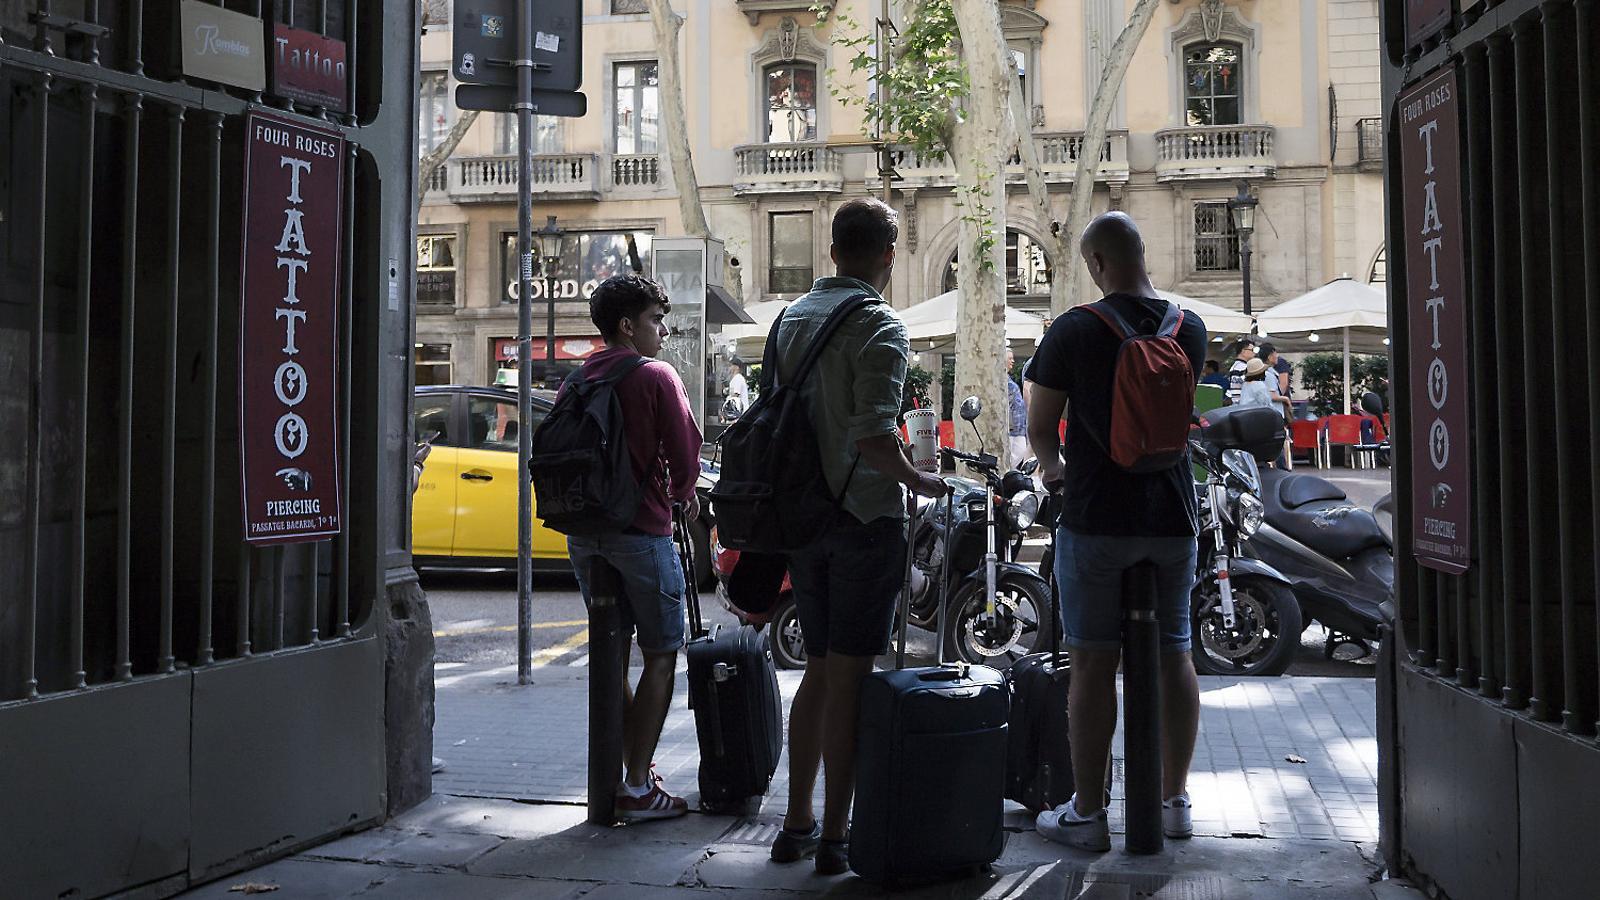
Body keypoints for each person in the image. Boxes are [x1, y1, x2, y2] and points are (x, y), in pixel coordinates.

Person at [767, 198, 948, 875]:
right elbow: (873, 438)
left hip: (802, 517)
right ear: (888, 256)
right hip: (864, 520)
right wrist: (922, 482)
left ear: (834, 249)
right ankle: (836, 838)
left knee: (817, 669)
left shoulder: (791, 318)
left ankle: (796, 823)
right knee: (849, 674)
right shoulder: (879, 325)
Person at [1024, 211, 1207, 853]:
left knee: (1093, 661)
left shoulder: (1076, 329)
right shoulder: (1192, 327)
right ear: (1142, 253)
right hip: (1173, 517)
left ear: (1097, 263)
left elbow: (1042, 429)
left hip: (1097, 515)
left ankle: (1089, 811)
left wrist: (1052, 470)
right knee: (1175, 649)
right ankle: (1174, 801)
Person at [562, 274, 704, 823]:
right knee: (663, 652)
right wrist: (685, 496)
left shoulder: (580, 377)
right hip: (642, 531)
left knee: (610, 649)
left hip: (583, 532)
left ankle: (629, 774)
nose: (662, 332)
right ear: (627, 326)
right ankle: (638, 784)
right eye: (654, 321)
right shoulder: (654, 376)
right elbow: (686, 451)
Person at [1006, 349, 1028, 466]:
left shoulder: (1008, 379)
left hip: (1018, 426)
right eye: (1010, 358)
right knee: (1016, 452)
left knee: (1020, 451)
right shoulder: (1002, 380)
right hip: (1011, 426)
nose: (1013, 361)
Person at [1226, 338, 1257, 404]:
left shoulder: (1236, 366)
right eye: (1252, 350)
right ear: (1243, 351)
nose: (1254, 353)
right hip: (1241, 404)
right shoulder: (1242, 367)